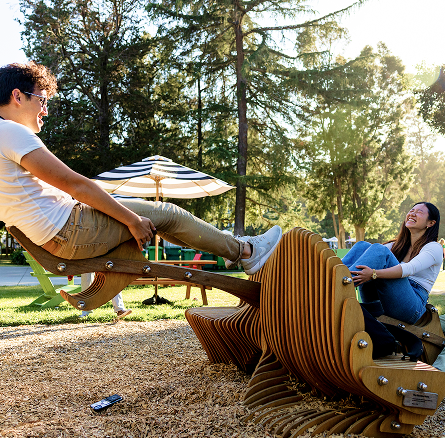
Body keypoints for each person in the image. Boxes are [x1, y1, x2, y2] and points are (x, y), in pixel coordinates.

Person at [0, 62, 282, 282]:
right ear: (17, 96)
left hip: (60, 233)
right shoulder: (11, 132)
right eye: (42, 100)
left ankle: (235, 250)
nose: (45, 111)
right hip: (70, 228)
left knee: (161, 219)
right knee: (168, 213)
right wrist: (131, 220)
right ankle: (248, 252)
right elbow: (77, 186)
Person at [341, 202, 442, 324]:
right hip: (383, 299)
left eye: (419, 212)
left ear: (430, 223)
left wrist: (374, 274)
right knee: (363, 246)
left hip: (412, 306)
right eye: (412, 210)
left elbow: (410, 268)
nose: (412, 213)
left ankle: (340, 286)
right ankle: (332, 278)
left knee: (380, 250)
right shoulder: (398, 245)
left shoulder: (434, 247)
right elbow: (372, 254)